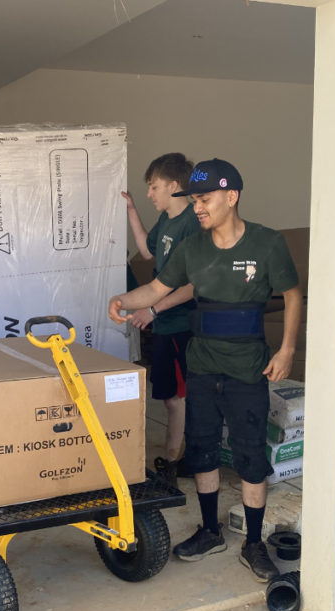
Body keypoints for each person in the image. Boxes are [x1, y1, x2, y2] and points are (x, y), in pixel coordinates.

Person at [108, 159, 302, 583]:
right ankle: (211, 531)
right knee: (203, 451)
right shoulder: (191, 249)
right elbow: (158, 289)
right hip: (201, 366)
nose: (198, 207)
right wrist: (124, 300)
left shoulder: (267, 244)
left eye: (206, 199)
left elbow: (292, 294)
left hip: (247, 368)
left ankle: (253, 543)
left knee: (251, 457)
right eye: (194, 200)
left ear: (231, 197)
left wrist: (286, 349)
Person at [121, 153, 199, 485]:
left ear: (174, 185)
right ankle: (176, 459)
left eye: (153, 187)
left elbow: (194, 286)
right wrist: (132, 211)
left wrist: (152, 309)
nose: (151, 193)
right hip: (165, 321)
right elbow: (148, 251)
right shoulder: (167, 219)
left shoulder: (194, 222)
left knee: (178, 398)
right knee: (170, 396)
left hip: (183, 323)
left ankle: (174, 463)